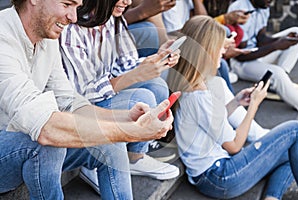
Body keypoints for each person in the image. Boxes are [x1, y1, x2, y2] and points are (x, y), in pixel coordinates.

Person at [0, 0, 175, 199]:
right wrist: (130, 132)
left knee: (110, 141)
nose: (74, 17)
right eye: (67, 4)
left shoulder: (46, 34)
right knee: (46, 143)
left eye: (76, 7)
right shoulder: (3, 37)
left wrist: (126, 118)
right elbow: (46, 128)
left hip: (28, 141)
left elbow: (69, 102)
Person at [168, 15, 298, 200]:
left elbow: (210, 123)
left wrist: (236, 102)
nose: (223, 52)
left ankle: (272, 197)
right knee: (295, 130)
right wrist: (254, 105)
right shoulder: (199, 94)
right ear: (206, 51)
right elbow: (235, 146)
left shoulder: (188, 84)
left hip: (212, 176)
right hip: (221, 177)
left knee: (292, 148)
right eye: (219, 48)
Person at [59, 0, 180, 194]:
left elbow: (125, 63)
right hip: (81, 109)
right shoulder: (71, 28)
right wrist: (136, 75)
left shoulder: (113, 19)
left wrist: (154, 61)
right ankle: (92, 160)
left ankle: (134, 158)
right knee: (143, 97)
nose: (129, 1)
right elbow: (82, 93)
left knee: (157, 85)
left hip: (103, 94)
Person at [228, 0, 298, 111]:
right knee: (277, 74)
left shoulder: (263, 5)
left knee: (296, 32)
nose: (271, 1)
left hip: (257, 54)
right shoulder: (239, 9)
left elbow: (261, 39)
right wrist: (276, 45)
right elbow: (240, 55)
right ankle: (281, 83)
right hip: (241, 64)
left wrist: (281, 40)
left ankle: (275, 85)